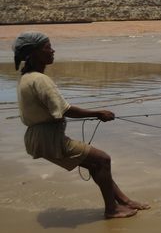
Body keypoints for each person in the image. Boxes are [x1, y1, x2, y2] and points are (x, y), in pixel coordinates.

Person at [13, 32, 149, 219]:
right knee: (103, 160)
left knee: (96, 163)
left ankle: (124, 201)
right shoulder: (40, 79)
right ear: (33, 53)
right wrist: (98, 113)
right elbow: (65, 110)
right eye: (47, 48)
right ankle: (112, 209)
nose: (52, 51)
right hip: (48, 138)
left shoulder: (26, 77)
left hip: (38, 137)